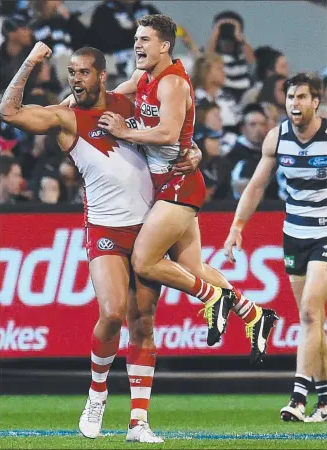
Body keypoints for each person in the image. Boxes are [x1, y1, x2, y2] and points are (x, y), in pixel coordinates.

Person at [0, 43, 170, 443]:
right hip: (106, 229)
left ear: (102, 75)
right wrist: (29, 61)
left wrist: (189, 152)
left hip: (147, 226)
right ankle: (96, 394)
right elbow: (7, 113)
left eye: (83, 72)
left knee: (143, 323)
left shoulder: (129, 104)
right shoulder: (66, 118)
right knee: (112, 313)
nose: (75, 78)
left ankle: (138, 422)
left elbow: (171, 134)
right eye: (71, 72)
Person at [97, 14, 278, 363]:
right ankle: (255, 315)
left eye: (145, 39)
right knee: (194, 268)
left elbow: (167, 133)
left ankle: (213, 297)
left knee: (145, 262)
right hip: (171, 181)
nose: (137, 44)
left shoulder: (173, 83)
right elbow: (110, 98)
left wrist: (124, 132)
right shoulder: (144, 76)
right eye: (136, 38)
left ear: (164, 45)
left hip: (178, 186)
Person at [223, 72, 327, 423]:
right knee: (312, 322)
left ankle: (298, 397)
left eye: (302, 97)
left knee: (312, 313)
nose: (294, 104)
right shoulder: (277, 137)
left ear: (317, 102)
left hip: (325, 234)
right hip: (294, 234)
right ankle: (326, 401)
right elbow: (255, 187)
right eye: (290, 98)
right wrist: (237, 227)